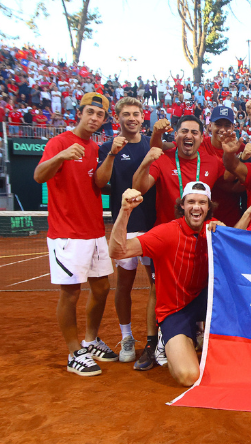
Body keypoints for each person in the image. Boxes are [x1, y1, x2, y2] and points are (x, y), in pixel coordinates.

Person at [33, 92, 118, 377]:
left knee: (102, 288)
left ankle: (90, 341)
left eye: (100, 115)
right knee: (70, 294)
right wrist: (61, 155)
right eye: (90, 112)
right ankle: (73, 352)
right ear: (79, 113)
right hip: (67, 234)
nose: (94, 118)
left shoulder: (97, 149)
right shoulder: (58, 143)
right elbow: (39, 176)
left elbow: (100, 184)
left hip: (94, 232)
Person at [108, 182, 224, 387]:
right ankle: (172, 339)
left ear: (208, 208)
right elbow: (118, 252)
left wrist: (226, 232)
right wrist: (125, 211)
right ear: (182, 206)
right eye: (191, 202)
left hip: (204, 301)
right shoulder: (165, 233)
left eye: (202, 202)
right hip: (175, 308)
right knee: (187, 376)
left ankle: (200, 334)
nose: (196, 207)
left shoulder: (214, 228)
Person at [95, 97, 159, 370]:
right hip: (125, 227)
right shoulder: (107, 148)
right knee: (124, 286)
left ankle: (156, 340)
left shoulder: (151, 146)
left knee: (158, 285)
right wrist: (111, 153)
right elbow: (100, 182)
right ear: (117, 118)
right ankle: (126, 338)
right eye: (126, 114)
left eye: (136, 114)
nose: (132, 118)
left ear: (143, 117)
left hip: (153, 227)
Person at [133, 114, 226, 226]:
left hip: (198, 234)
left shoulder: (213, 162)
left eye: (194, 133)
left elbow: (232, 184)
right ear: (176, 135)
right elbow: (138, 189)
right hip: (166, 233)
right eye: (184, 131)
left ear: (201, 138)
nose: (189, 136)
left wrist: (233, 156)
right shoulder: (163, 158)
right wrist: (145, 163)